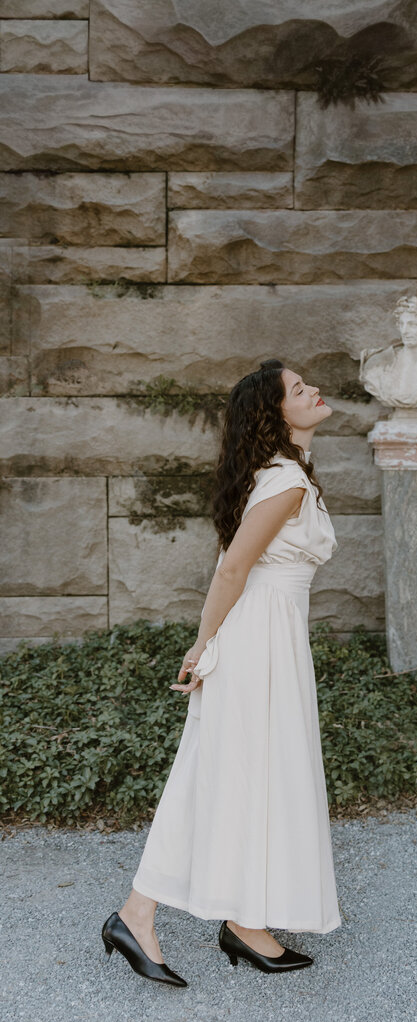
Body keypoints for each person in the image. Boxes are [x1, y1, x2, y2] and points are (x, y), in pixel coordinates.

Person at [102, 360, 340, 987]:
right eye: (298, 389)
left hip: (269, 636)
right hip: (257, 640)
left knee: (249, 774)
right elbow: (232, 569)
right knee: (229, 772)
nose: (314, 389)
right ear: (275, 414)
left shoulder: (282, 473)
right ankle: (140, 914)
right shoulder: (286, 481)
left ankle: (240, 921)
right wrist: (203, 647)